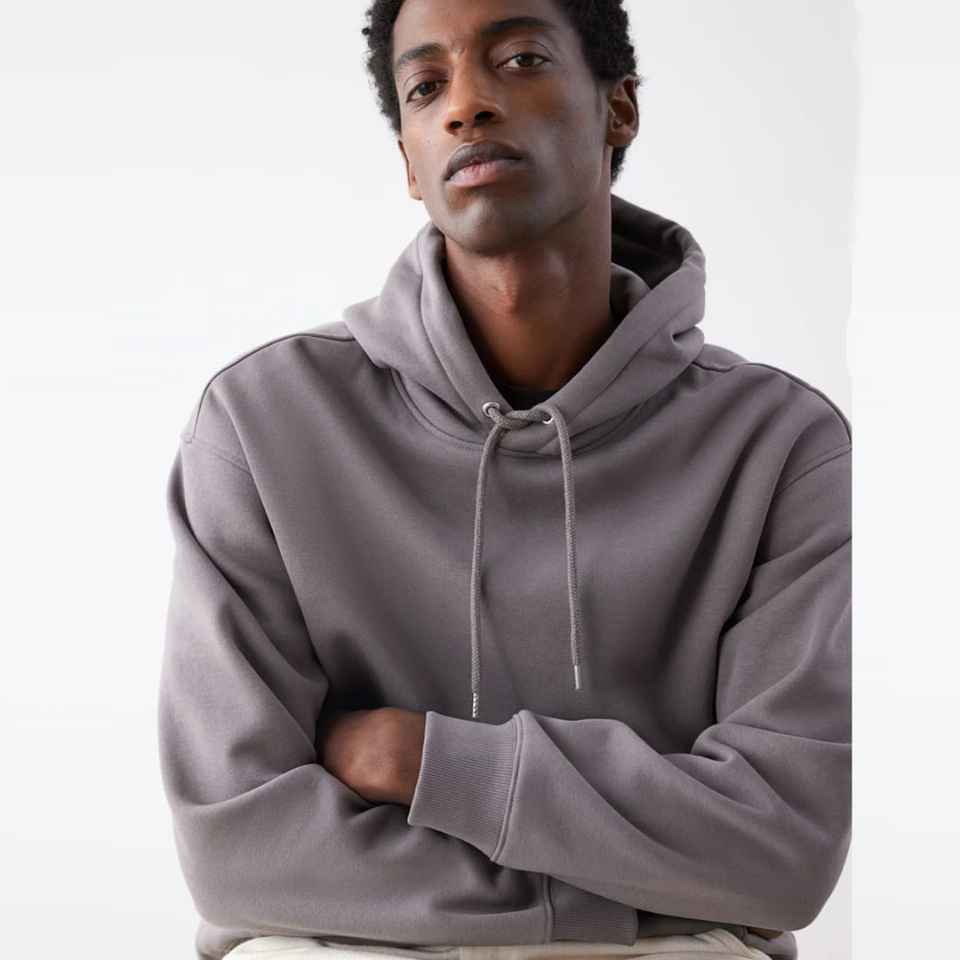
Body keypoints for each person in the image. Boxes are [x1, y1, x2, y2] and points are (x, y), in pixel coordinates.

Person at [157, 1, 851, 959]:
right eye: (425, 86)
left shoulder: (782, 445)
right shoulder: (262, 422)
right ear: (410, 163)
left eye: (520, 59)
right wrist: (642, 890)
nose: (467, 105)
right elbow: (241, 855)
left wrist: (424, 762)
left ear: (618, 109)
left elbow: (783, 854)